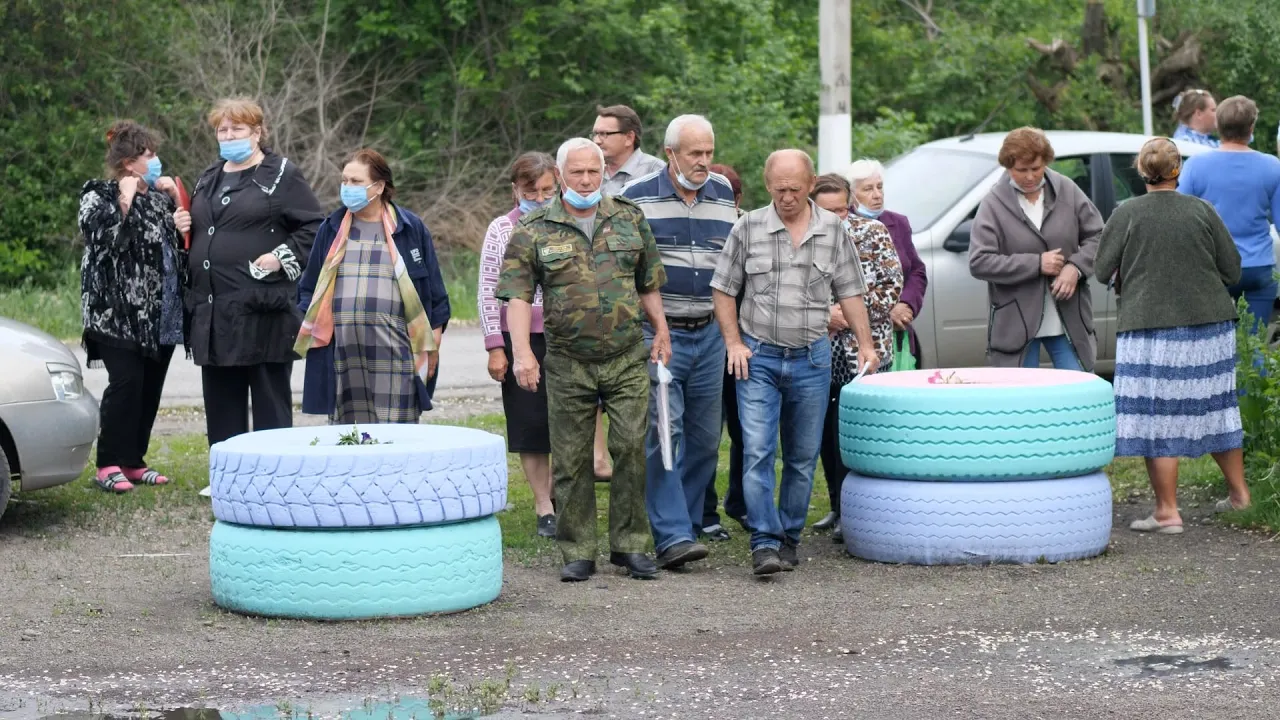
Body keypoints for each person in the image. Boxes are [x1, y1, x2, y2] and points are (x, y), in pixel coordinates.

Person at [497, 137, 672, 582]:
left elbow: (648, 282)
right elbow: (516, 297)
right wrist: (521, 355)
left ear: (603, 173)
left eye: (593, 171)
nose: (586, 179)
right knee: (572, 457)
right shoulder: (534, 229)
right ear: (560, 176)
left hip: (626, 355)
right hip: (568, 360)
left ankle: (630, 546)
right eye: (576, 172)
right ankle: (577, 550)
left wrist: (662, 330)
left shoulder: (629, 218)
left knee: (631, 448)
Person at [711, 149, 878, 576]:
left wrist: (865, 344)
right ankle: (763, 541)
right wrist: (733, 343)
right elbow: (724, 289)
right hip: (759, 358)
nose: (786, 197)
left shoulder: (833, 229)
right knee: (757, 452)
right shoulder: (747, 228)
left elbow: (851, 292)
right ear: (767, 185)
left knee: (802, 457)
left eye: (795, 189)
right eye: (778, 189)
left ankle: (789, 536)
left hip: (812, 359)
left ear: (811, 183)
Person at [1095, 137, 1251, 534]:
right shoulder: (1202, 210)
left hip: (1149, 327)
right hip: (1209, 324)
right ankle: (1240, 497)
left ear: (1141, 171)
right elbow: (1232, 271)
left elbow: (1100, 269)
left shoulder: (1126, 214)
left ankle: (1167, 512)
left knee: (1156, 418)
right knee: (1218, 408)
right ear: (1177, 169)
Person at [621, 115, 739, 569]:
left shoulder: (723, 193)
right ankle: (670, 534)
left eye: (709, 152)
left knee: (707, 438)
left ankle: (687, 525)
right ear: (671, 153)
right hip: (660, 333)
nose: (704, 162)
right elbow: (628, 269)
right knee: (664, 433)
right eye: (695, 154)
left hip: (709, 332)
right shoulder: (637, 198)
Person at [188, 97, 324, 449]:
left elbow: (313, 228)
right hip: (216, 313)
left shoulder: (281, 175)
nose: (228, 134)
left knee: (269, 404)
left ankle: (274, 476)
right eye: (223, 129)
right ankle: (228, 476)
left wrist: (282, 257)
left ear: (257, 132)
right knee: (221, 404)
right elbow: (205, 233)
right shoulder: (208, 178)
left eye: (237, 128)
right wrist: (182, 224)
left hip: (264, 312)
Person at [296, 149, 449, 425]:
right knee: (349, 439)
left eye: (355, 182)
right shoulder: (330, 229)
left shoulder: (410, 228)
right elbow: (309, 289)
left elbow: (435, 297)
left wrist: (432, 345)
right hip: (343, 355)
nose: (347, 188)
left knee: (397, 438)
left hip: (397, 354)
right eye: (344, 181)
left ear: (378, 187)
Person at [78, 121, 188, 492]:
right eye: (149, 155)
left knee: (149, 387)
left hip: (157, 315)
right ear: (128, 162)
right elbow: (103, 240)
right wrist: (123, 201)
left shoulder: (158, 199)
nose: (156, 160)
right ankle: (107, 463)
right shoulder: (98, 195)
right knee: (125, 383)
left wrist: (177, 205)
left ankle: (133, 461)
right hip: (114, 313)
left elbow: (174, 250)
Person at [809, 174, 903, 541]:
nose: (836, 218)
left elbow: (890, 287)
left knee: (863, 435)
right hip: (820, 350)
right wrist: (823, 316)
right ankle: (837, 505)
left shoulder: (874, 233)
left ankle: (866, 512)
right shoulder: (807, 235)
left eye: (842, 210)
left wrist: (845, 316)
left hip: (864, 352)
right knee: (827, 435)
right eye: (827, 211)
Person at [968, 127, 1104, 372]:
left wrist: (1075, 268)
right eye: (1022, 170)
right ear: (1008, 167)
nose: (1030, 176)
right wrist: (1036, 264)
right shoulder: (992, 204)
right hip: (1015, 324)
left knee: (1078, 392)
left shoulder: (1068, 190)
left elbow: (1099, 236)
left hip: (1068, 320)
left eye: (1036, 168)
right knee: (1021, 402)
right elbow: (979, 261)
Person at [478, 151, 559, 538]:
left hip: (565, 334)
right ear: (516, 190)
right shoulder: (501, 230)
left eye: (547, 191)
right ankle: (543, 504)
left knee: (565, 418)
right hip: (519, 337)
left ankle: (563, 493)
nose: (540, 199)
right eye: (532, 191)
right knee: (530, 421)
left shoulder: (567, 224)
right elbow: (488, 290)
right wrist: (496, 345)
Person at [1177, 95, 1280, 335]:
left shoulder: (1195, 165)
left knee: (1210, 344)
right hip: (1258, 266)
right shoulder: (1272, 166)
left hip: (1212, 266)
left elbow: (1180, 218)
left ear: (1219, 125)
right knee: (1253, 344)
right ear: (1251, 127)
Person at [700, 162, 747, 542]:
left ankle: (741, 502)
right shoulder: (699, 229)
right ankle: (704, 511)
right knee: (706, 434)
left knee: (747, 432)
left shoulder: (752, 228)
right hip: (706, 343)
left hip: (747, 347)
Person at [845, 158, 928, 368]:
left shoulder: (897, 223)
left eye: (880, 187)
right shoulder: (845, 227)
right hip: (860, 335)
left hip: (899, 331)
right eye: (868, 189)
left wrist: (906, 304)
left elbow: (916, 270)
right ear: (852, 195)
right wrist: (885, 310)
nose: (877, 194)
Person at [595, 104, 665, 195]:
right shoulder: (590, 170)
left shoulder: (655, 171)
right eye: (595, 134)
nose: (596, 141)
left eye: (604, 134)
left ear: (629, 138)